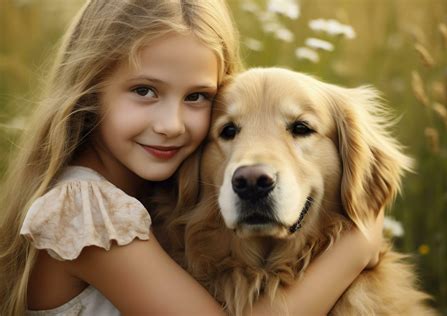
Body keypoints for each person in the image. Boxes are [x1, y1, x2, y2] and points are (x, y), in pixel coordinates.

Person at [0, 0, 384, 315]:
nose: (171, 125)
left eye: (197, 96)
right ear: (89, 89)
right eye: (145, 90)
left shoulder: (148, 191)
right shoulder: (84, 212)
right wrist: (356, 248)